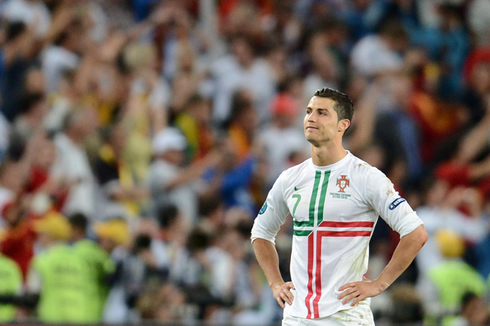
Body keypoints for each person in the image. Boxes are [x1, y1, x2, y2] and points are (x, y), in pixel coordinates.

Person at [251, 87, 428, 325]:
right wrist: (274, 282)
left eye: (322, 113)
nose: (311, 118)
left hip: (346, 316)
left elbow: (416, 233)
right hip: (297, 317)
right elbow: (261, 232)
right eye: (308, 111)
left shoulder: (366, 177)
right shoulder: (289, 179)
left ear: (342, 125)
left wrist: (379, 283)